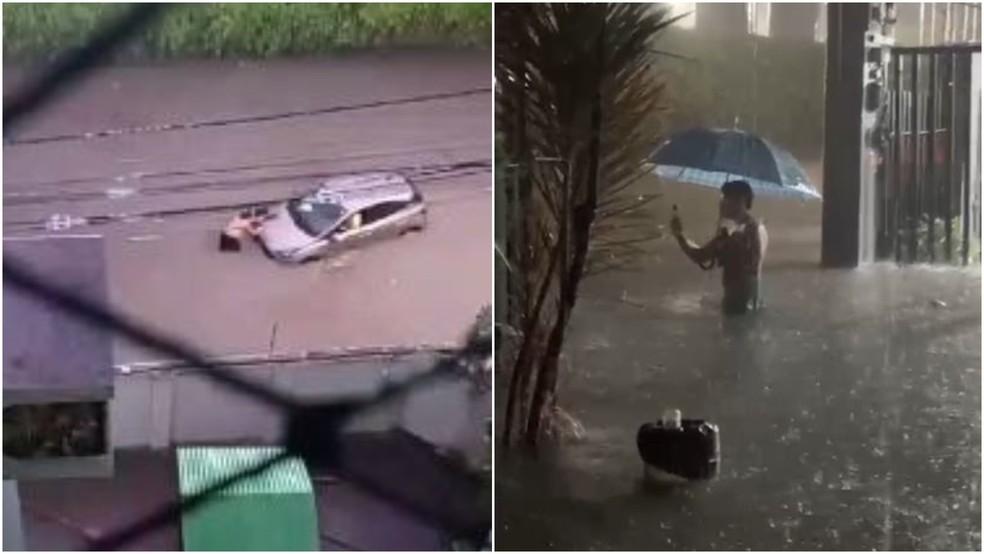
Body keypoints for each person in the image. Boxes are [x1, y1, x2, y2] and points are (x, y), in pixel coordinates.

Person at [670, 180, 768, 315]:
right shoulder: (756, 227)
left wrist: (679, 236)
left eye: (726, 199)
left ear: (740, 201)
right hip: (751, 299)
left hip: (737, 302)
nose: (723, 203)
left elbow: (701, 256)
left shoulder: (737, 233)